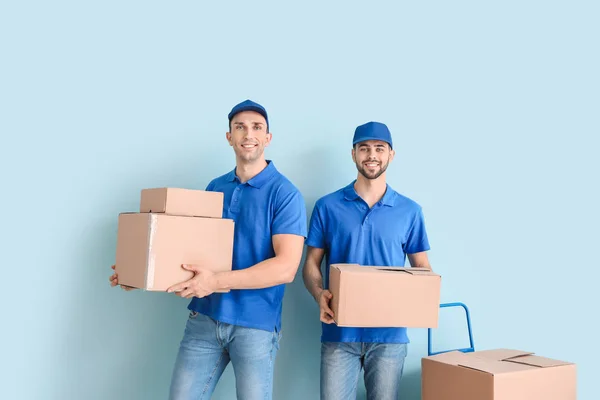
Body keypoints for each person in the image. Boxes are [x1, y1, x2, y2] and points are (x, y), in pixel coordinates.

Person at [110, 99, 307, 400]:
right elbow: (188, 253)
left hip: (255, 325)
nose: (248, 134)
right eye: (239, 127)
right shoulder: (215, 188)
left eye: (257, 127)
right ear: (229, 137)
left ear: (268, 138)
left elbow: (286, 267)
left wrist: (215, 282)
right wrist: (140, 274)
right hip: (204, 319)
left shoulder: (285, 194)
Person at [302, 121, 431, 400]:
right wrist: (318, 293)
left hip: (389, 338)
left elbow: (423, 268)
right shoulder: (328, 206)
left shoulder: (410, 211)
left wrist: (418, 299)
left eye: (379, 148)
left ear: (391, 155)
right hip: (339, 334)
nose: (371, 155)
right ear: (353, 154)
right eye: (364, 148)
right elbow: (311, 263)